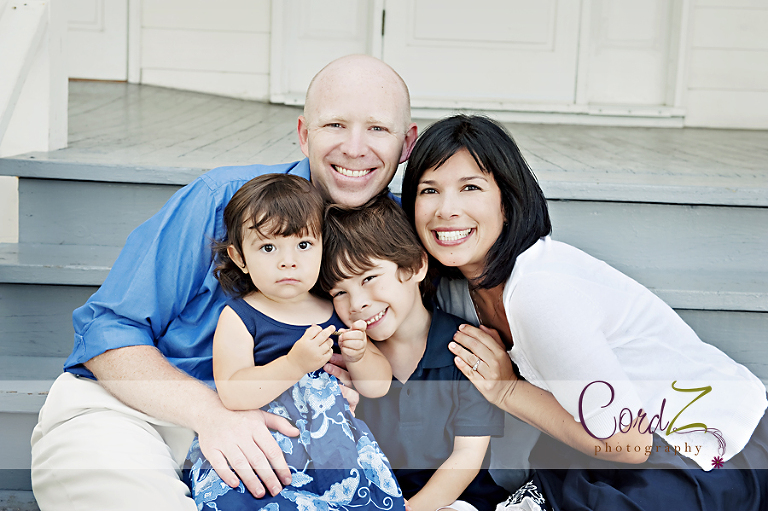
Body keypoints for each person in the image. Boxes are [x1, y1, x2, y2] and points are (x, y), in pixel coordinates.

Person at [30, 54, 418, 511]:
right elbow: (107, 331)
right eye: (335, 124)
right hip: (140, 412)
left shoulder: (402, 233)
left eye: (377, 128)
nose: (354, 148)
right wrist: (210, 413)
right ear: (304, 134)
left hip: (289, 444)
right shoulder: (224, 199)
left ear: (406, 142)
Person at [400, 114, 768, 511]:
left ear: (507, 202)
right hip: (605, 447)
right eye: (429, 190)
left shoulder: (539, 291)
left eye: (470, 187)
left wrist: (506, 388)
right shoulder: (456, 289)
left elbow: (626, 442)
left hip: (709, 448)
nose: (446, 209)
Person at [183, 173, 404, 510]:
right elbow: (232, 391)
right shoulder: (241, 316)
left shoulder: (336, 308)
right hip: (265, 452)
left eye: (303, 245)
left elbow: (377, 386)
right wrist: (294, 364)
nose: (288, 261)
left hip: (335, 453)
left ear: (322, 248)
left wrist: (359, 357)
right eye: (268, 247)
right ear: (239, 257)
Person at [319, 192, 510, 511]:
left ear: (415, 266)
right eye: (339, 292)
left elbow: (467, 457)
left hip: (459, 499)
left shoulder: (465, 347)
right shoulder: (351, 359)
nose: (357, 304)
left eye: (369, 277)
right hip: (377, 498)